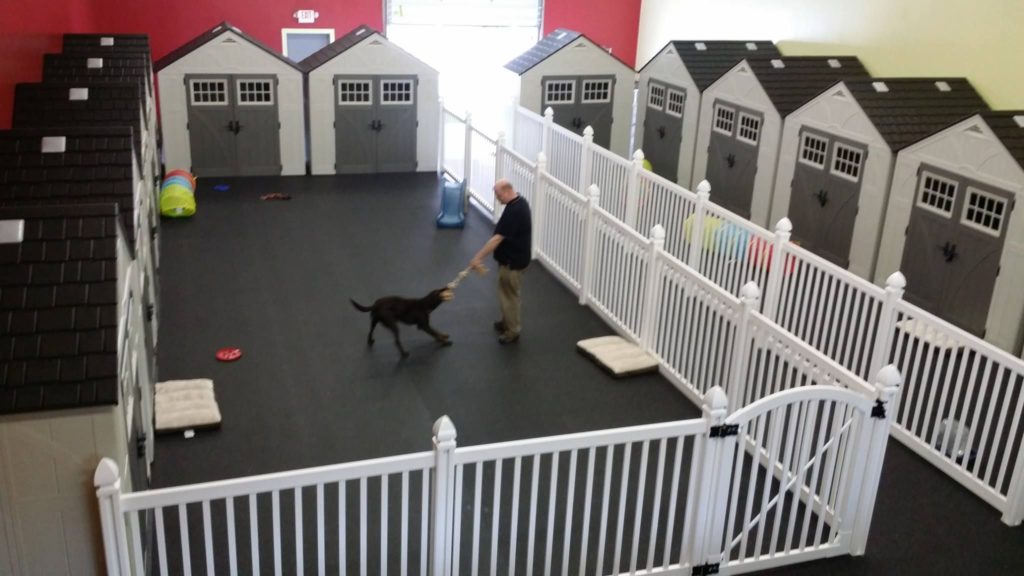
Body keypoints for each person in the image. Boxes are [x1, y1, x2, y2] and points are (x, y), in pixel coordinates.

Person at [469, 179, 532, 344]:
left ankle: (512, 331)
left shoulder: (514, 211)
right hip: (513, 259)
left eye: (498, 195)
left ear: (506, 191)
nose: (497, 199)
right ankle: (507, 321)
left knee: (509, 296)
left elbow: (497, 239)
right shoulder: (519, 202)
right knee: (506, 293)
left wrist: (478, 258)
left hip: (512, 264)